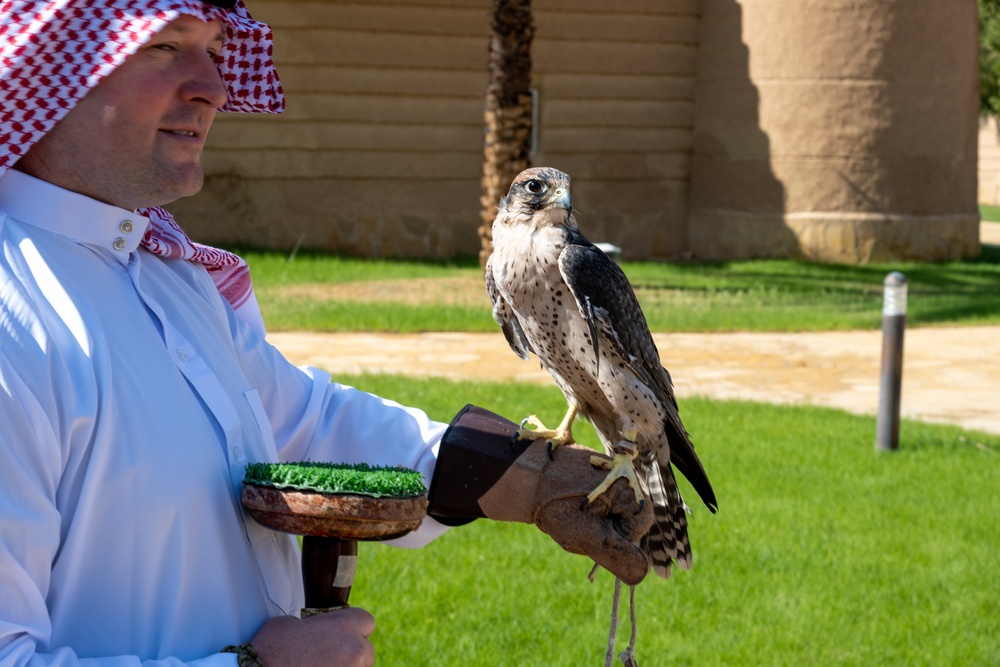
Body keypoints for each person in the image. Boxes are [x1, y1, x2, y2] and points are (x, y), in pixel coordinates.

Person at [0, 3, 653, 666]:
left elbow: (299, 422)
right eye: (166, 48)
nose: (214, 86)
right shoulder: (11, 316)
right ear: (53, 63)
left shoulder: (170, 274)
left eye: (215, 50)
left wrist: (518, 476)